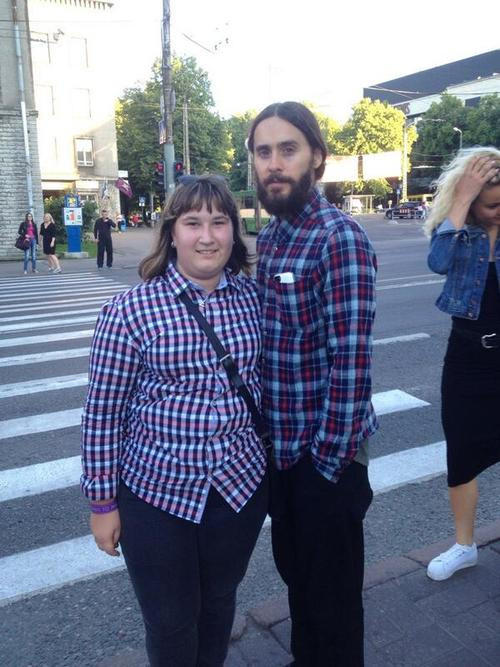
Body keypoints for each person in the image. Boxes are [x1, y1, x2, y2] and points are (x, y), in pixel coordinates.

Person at [81, 175, 268, 667]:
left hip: (238, 491)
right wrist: (102, 503)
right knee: (170, 622)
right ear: (171, 232)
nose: (207, 236)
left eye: (219, 222)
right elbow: (102, 413)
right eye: (192, 223)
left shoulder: (254, 301)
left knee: (219, 604)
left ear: (233, 232)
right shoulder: (128, 311)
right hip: (156, 496)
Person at [248, 101, 378, 666]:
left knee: (333, 601)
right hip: (282, 453)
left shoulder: (338, 238)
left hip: (326, 458)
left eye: (288, 149)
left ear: (317, 158)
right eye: (263, 152)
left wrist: (325, 470)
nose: (274, 164)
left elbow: (350, 365)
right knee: (299, 581)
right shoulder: (275, 235)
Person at [425, 148, 500, 581]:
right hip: (467, 359)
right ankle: (464, 545)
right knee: (462, 451)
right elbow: (436, 261)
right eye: (490, 204)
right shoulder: (460, 234)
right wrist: (462, 198)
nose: (498, 212)